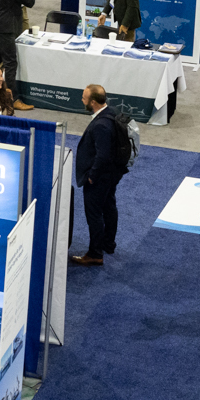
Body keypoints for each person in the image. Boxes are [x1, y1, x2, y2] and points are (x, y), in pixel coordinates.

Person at [70, 85, 126, 267]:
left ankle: (95, 253)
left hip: (100, 176)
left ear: (93, 102)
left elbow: (102, 155)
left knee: (94, 214)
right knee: (109, 206)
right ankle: (108, 244)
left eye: (84, 98)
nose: (82, 100)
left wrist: (92, 175)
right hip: (113, 173)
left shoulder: (101, 125)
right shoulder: (111, 112)